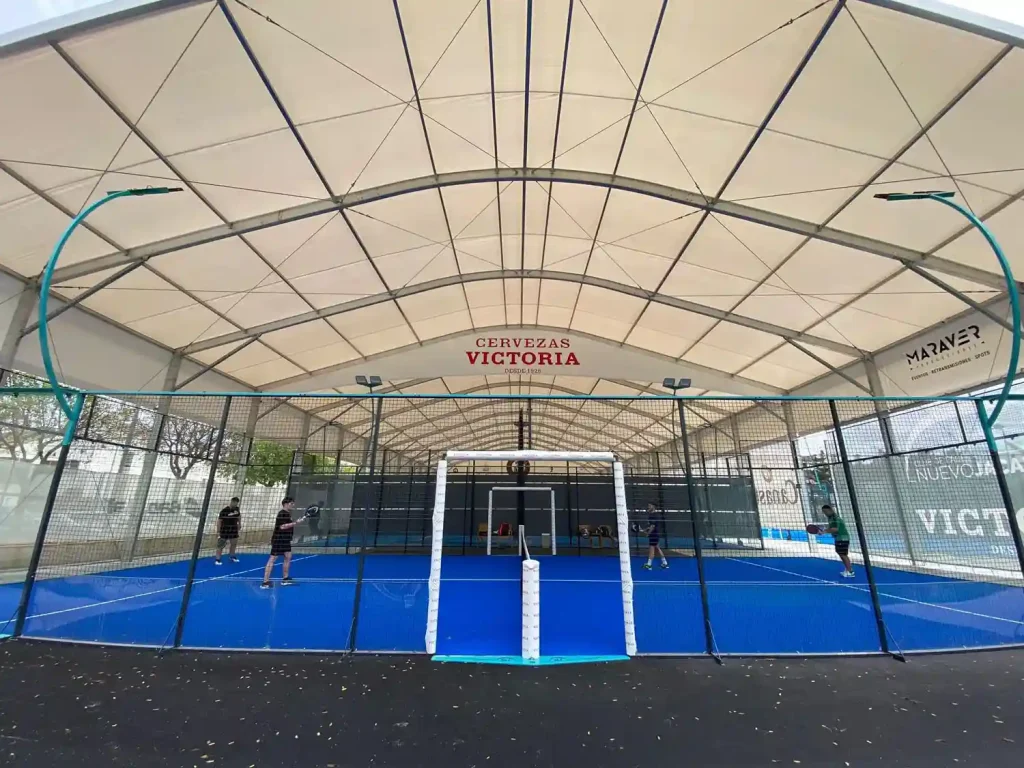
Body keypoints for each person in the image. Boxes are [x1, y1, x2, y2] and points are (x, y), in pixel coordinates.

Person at [261, 497, 305, 589]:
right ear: (285, 504)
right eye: (291, 503)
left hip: (285, 540)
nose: (293, 505)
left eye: (293, 503)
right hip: (279, 539)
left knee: (288, 556)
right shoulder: (282, 514)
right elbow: (282, 527)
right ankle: (265, 582)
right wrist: (296, 523)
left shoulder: (288, 514)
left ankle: (285, 579)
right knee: (272, 559)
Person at [821, 503, 854, 578]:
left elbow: (835, 529)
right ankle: (848, 570)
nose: (825, 513)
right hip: (838, 538)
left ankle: (850, 571)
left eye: (826, 512)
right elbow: (832, 529)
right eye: (824, 512)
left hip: (843, 538)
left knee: (843, 554)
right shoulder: (830, 518)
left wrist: (824, 531)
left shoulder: (835, 518)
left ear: (830, 510)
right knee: (841, 553)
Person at [641, 503, 669, 570]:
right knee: (657, 548)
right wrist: (645, 529)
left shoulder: (653, 515)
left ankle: (649, 564)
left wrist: (648, 533)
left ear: (653, 507)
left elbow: (652, 526)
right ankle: (664, 563)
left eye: (650, 506)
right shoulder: (652, 515)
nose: (648, 507)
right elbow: (651, 526)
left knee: (651, 549)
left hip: (653, 535)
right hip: (655, 534)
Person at [214, 497, 241, 565]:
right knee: (221, 545)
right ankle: (218, 559)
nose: (235, 504)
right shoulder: (224, 511)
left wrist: (239, 524)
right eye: (234, 502)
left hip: (234, 529)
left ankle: (232, 556)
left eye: (236, 503)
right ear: (231, 502)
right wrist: (218, 531)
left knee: (234, 543)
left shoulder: (237, 509)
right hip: (224, 530)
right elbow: (219, 521)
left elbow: (239, 516)